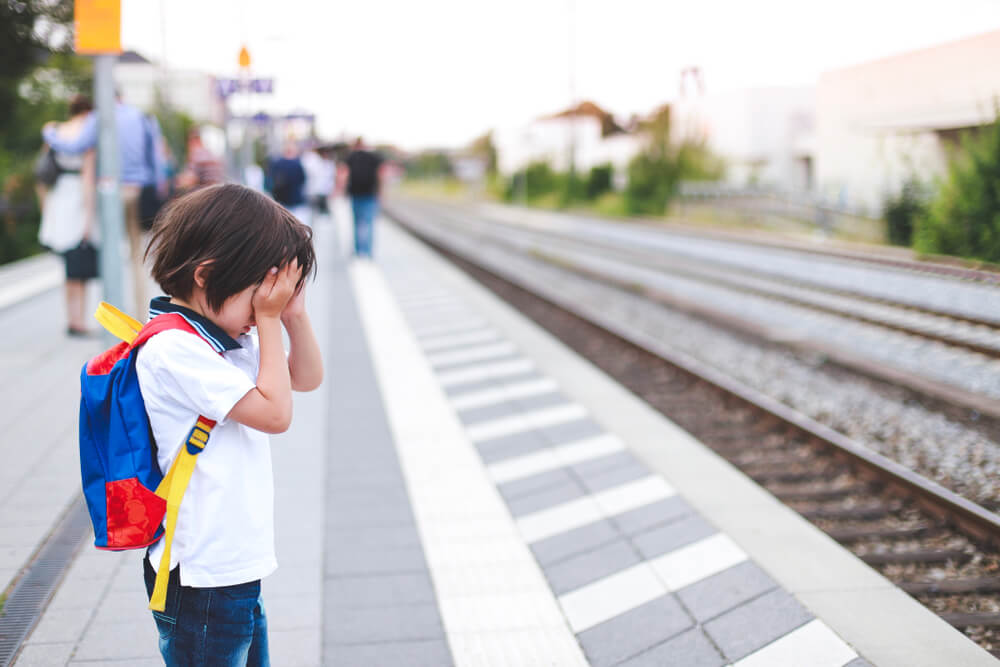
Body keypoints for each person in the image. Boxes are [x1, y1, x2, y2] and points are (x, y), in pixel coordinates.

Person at [137, 183, 322, 666]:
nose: (267, 304)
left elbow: (304, 378)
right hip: (202, 578)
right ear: (207, 276)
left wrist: (291, 316)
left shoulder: (225, 337)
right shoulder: (175, 349)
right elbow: (276, 414)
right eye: (258, 292)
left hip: (231, 568)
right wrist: (265, 317)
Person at [42, 94, 168, 318]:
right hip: (138, 189)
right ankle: (141, 312)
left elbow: (75, 146)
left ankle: (116, 313)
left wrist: (50, 133)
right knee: (138, 254)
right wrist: (158, 188)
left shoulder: (98, 118)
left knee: (111, 252)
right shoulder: (140, 117)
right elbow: (155, 157)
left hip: (111, 191)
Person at [38, 94, 98, 336]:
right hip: (76, 200)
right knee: (80, 266)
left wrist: (45, 208)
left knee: (68, 268)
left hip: (57, 197)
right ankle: (79, 320)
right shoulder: (86, 137)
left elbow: (43, 171)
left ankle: (71, 318)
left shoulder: (54, 133)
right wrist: (89, 216)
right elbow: (87, 176)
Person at [343, 137, 383, 257]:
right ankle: (368, 251)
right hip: (370, 194)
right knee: (369, 223)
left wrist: (342, 190)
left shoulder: (351, 157)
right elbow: (380, 175)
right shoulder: (373, 157)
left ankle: (358, 250)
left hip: (355, 194)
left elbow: (344, 174)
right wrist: (380, 192)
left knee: (356, 223)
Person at [267, 140, 307, 223]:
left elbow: (270, 180)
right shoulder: (298, 164)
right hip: (295, 200)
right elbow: (302, 180)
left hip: (280, 200)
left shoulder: (276, 163)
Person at [300, 142, 335, 225]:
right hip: (315, 191)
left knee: (312, 216)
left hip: (313, 191)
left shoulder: (311, 159)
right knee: (314, 217)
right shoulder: (314, 159)